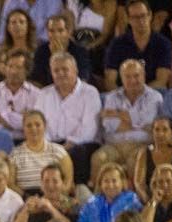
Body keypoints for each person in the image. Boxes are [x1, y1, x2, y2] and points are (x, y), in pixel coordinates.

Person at [33, 53, 100, 186]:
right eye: (56, 70)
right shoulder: (44, 94)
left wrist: (64, 148)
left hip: (81, 144)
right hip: (51, 144)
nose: (61, 74)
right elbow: (38, 124)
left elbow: (89, 130)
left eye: (65, 69)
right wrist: (48, 146)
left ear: (75, 71)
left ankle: (74, 190)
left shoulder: (90, 93)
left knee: (77, 153)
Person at [92, 60, 162, 178]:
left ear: (144, 76)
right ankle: (98, 195)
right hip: (113, 145)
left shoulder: (154, 97)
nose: (132, 80)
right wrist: (138, 123)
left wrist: (117, 114)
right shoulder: (111, 97)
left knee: (134, 162)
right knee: (98, 158)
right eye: (127, 76)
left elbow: (147, 121)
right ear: (121, 78)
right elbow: (109, 124)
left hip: (141, 145)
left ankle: (134, 196)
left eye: (136, 75)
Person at [75, 163, 142, 222]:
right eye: (106, 181)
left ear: (122, 182)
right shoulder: (92, 203)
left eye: (114, 181)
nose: (110, 185)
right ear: (100, 184)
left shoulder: (131, 200)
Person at [104, 0, 171, 89]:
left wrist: (138, 94)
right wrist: (126, 96)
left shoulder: (163, 43)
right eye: (135, 17)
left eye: (143, 15)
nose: (140, 20)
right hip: (123, 96)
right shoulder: (117, 44)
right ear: (128, 19)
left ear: (150, 15)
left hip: (153, 94)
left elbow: (162, 81)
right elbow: (110, 81)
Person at [11, 163, 78, 222]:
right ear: (41, 184)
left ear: (62, 183)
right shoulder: (31, 203)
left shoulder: (71, 204)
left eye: (55, 181)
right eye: (46, 181)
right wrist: (26, 211)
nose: (50, 185)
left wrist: (50, 208)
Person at [0, 48, 38, 140]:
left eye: (18, 67)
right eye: (10, 66)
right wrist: (21, 119)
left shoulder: (36, 94)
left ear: (27, 70)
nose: (13, 71)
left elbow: (34, 126)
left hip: (24, 141)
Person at [9, 108, 72, 191]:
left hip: (54, 198)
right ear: (23, 129)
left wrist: (55, 198)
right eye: (29, 125)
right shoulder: (14, 154)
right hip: (25, 199)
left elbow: (68, 181)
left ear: (45, 126)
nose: (33, 128)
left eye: (37, 125)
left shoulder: (59, 151)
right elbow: (10, 184)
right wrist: (27, 198)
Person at [29, 12, 91, 87]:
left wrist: (60, 57)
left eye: (60, 31)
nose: (56, 35)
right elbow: (36, 80)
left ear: (68, 32)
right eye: (51, 31)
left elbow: (82, 79)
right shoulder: (41, 51)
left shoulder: (80, 51)